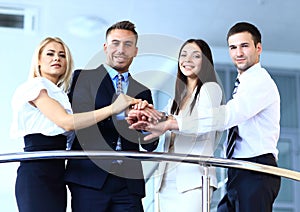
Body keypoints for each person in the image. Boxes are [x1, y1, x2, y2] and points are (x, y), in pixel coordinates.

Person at [130, 22, 281, 212]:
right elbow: (166, 127)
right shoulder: (178, 99)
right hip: (237, 170)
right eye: (233, 47)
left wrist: (170, 123)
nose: (238, 53)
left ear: (258, 48)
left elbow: (228, 115)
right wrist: (149, 119)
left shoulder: (257, 81)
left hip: (254, 167)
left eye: (244, 46)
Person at [10, 37, 139, 212]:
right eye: (50, 54)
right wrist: (112, 108)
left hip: (57, 171)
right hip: (37, 169)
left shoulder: (62, 95)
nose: (57, 58)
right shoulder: (35, 86)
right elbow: (67, 122)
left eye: (62, 55)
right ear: (39, 60)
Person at [64, 20, 160, 212]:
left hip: (128, 183)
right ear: (105, 47)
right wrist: (120, 112)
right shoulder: (83, 78)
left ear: (135, 51)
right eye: (115, 43)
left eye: (128, 44)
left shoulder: (143, 92)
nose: (121, 50)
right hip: (90, 179)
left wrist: (150, 126)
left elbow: (148, 144)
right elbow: (79, 121)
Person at [130, 39, 223, 211]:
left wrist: (167, 123)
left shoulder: (210, 89)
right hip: (167, 178)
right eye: (183, 55)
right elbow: (163, 121)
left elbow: (200, 122)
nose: (187, 60)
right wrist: (147, 113)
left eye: (196, 56)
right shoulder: (177, 99)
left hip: (193, 179)